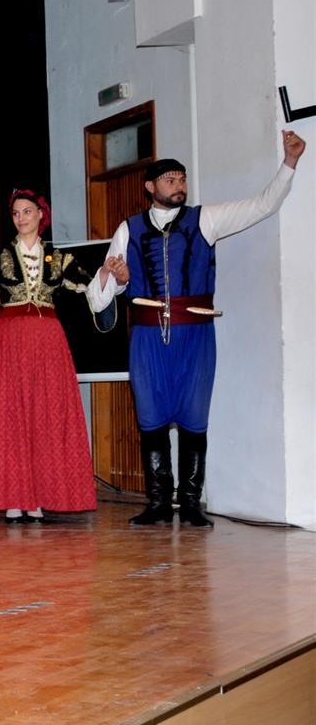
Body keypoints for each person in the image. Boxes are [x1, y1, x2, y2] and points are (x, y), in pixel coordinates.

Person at [85, 130, 303, 528]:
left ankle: (189, 504)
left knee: (194, 416)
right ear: (150, 187)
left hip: (195, 335)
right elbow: (99, 298)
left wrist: (289, 164)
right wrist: (113, 277)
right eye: (170, 180)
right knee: (150, 417)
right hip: (148, 338)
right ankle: (157, 503)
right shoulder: (127, 229)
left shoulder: (206, 219)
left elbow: (263, 205)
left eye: (182, 179)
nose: (179, 185)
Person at [0, 190, 105, 522]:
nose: (21, 218)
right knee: (10, 416)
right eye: (16, 213)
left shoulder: (59, 259)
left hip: (48, 342)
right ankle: (13, 497)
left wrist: (109, 276)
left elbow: (90, 287)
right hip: (9, 342)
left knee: (46, 414)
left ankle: (41, 496)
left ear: (41, 214)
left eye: (27, 211)